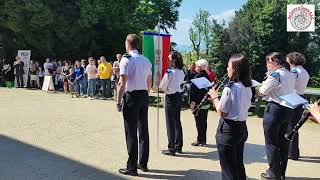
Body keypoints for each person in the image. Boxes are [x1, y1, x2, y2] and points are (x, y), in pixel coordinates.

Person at [208, 54, 252, 180]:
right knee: (238, 165)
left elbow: (222, 112)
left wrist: (214, 97)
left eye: (228, 66)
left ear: (235, 69)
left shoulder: (230, 88)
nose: (227, 69)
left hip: (228, 130)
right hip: (242, 128)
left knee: (228, 169)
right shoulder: (247, 86)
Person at [117, 34, 152, 176]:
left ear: (128, 44)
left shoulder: (126, 59)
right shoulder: (146, 60)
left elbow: (122, 82)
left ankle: (132, 167)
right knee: (143, 130)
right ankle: (143, 163)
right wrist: (146, 94)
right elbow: (149, 81)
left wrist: (118, 101)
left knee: (131, 132)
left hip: (132, 96)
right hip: (144, 95)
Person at [258, 52, 295, 180]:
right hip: (288, 109)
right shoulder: (290, 74)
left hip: (275, 109)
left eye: (268, 62)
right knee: (283, 142)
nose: (267, 65)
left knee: (271, 142)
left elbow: (262, 91)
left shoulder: (275, 75)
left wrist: (262, 83)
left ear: (275, 62)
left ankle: (273, 172)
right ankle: (281, 171)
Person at [159, 51, 185, 156]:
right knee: (177, 122)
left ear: (173, 60)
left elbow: (162, 87)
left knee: (170, 123)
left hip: (171, 97)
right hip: (178, 97)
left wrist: (159, 88)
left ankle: (171, 148)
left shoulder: (169, 72)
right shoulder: (182, 71)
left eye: (169, 59)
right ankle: (179, 146)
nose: (168, 61)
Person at [286, 52, 310, 160]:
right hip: (300, 97)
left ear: (292, 60)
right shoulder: (304, 71)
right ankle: (294, 152)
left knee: (290, 126)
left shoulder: (294, 71)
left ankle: (291, 152)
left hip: (293, 98)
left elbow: (289, 84)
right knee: (295, 126)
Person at [190, 59, 210, 146]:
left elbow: (193, 92)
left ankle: (200, 140)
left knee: (199, 122)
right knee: (204, 122)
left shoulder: (197, 77)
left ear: (200, 67)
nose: (195, 68)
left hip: (199, 103)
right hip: (206, 102)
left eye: (197, 66)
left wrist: (192, 104)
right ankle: (203, 140)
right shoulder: (207, 76)